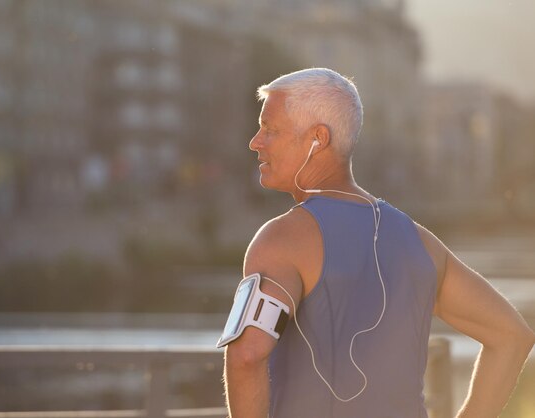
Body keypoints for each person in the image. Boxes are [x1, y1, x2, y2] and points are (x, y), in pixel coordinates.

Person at [222, 68, 535, 418]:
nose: (256, 141)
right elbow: (511, 336)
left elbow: (247, 355)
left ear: (317, 139)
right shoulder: (421, 242)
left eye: (270, 130)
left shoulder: (280, 240)